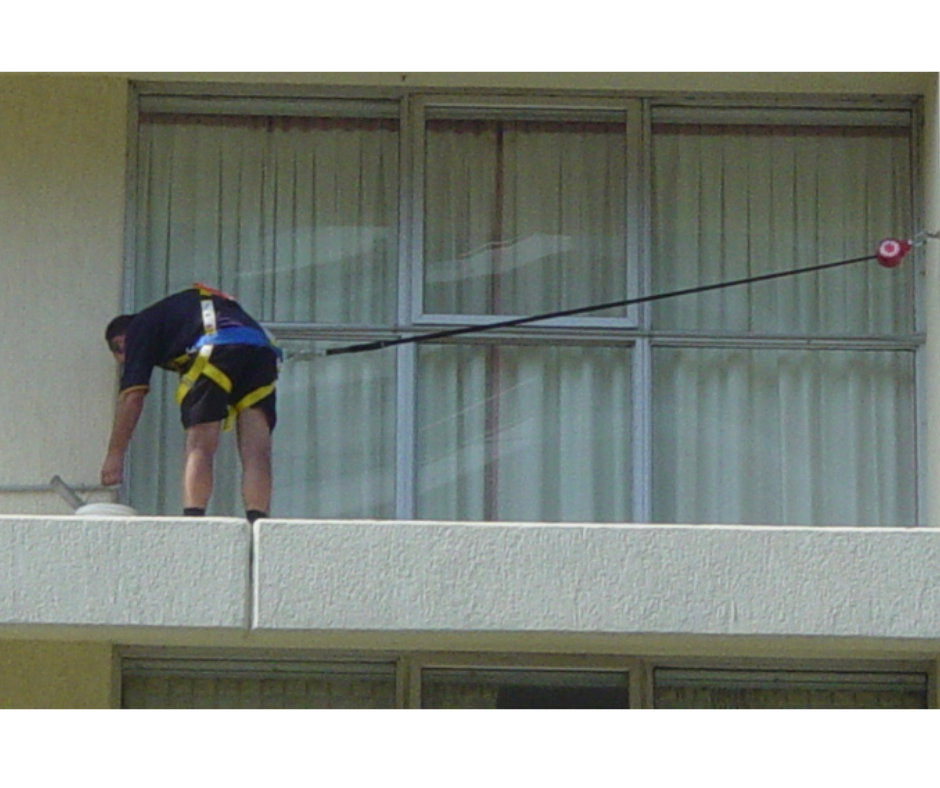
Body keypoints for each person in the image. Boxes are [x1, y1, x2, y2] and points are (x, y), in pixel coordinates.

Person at [101, 284, 280, 524]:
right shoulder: (174, 316)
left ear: (120, 343)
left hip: (214, 349)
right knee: (256, 450)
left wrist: (115, 454)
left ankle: (194, 522)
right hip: (261, 351)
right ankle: (258, 523)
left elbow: (132, 397)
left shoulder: (137, 330)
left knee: (200, 444)